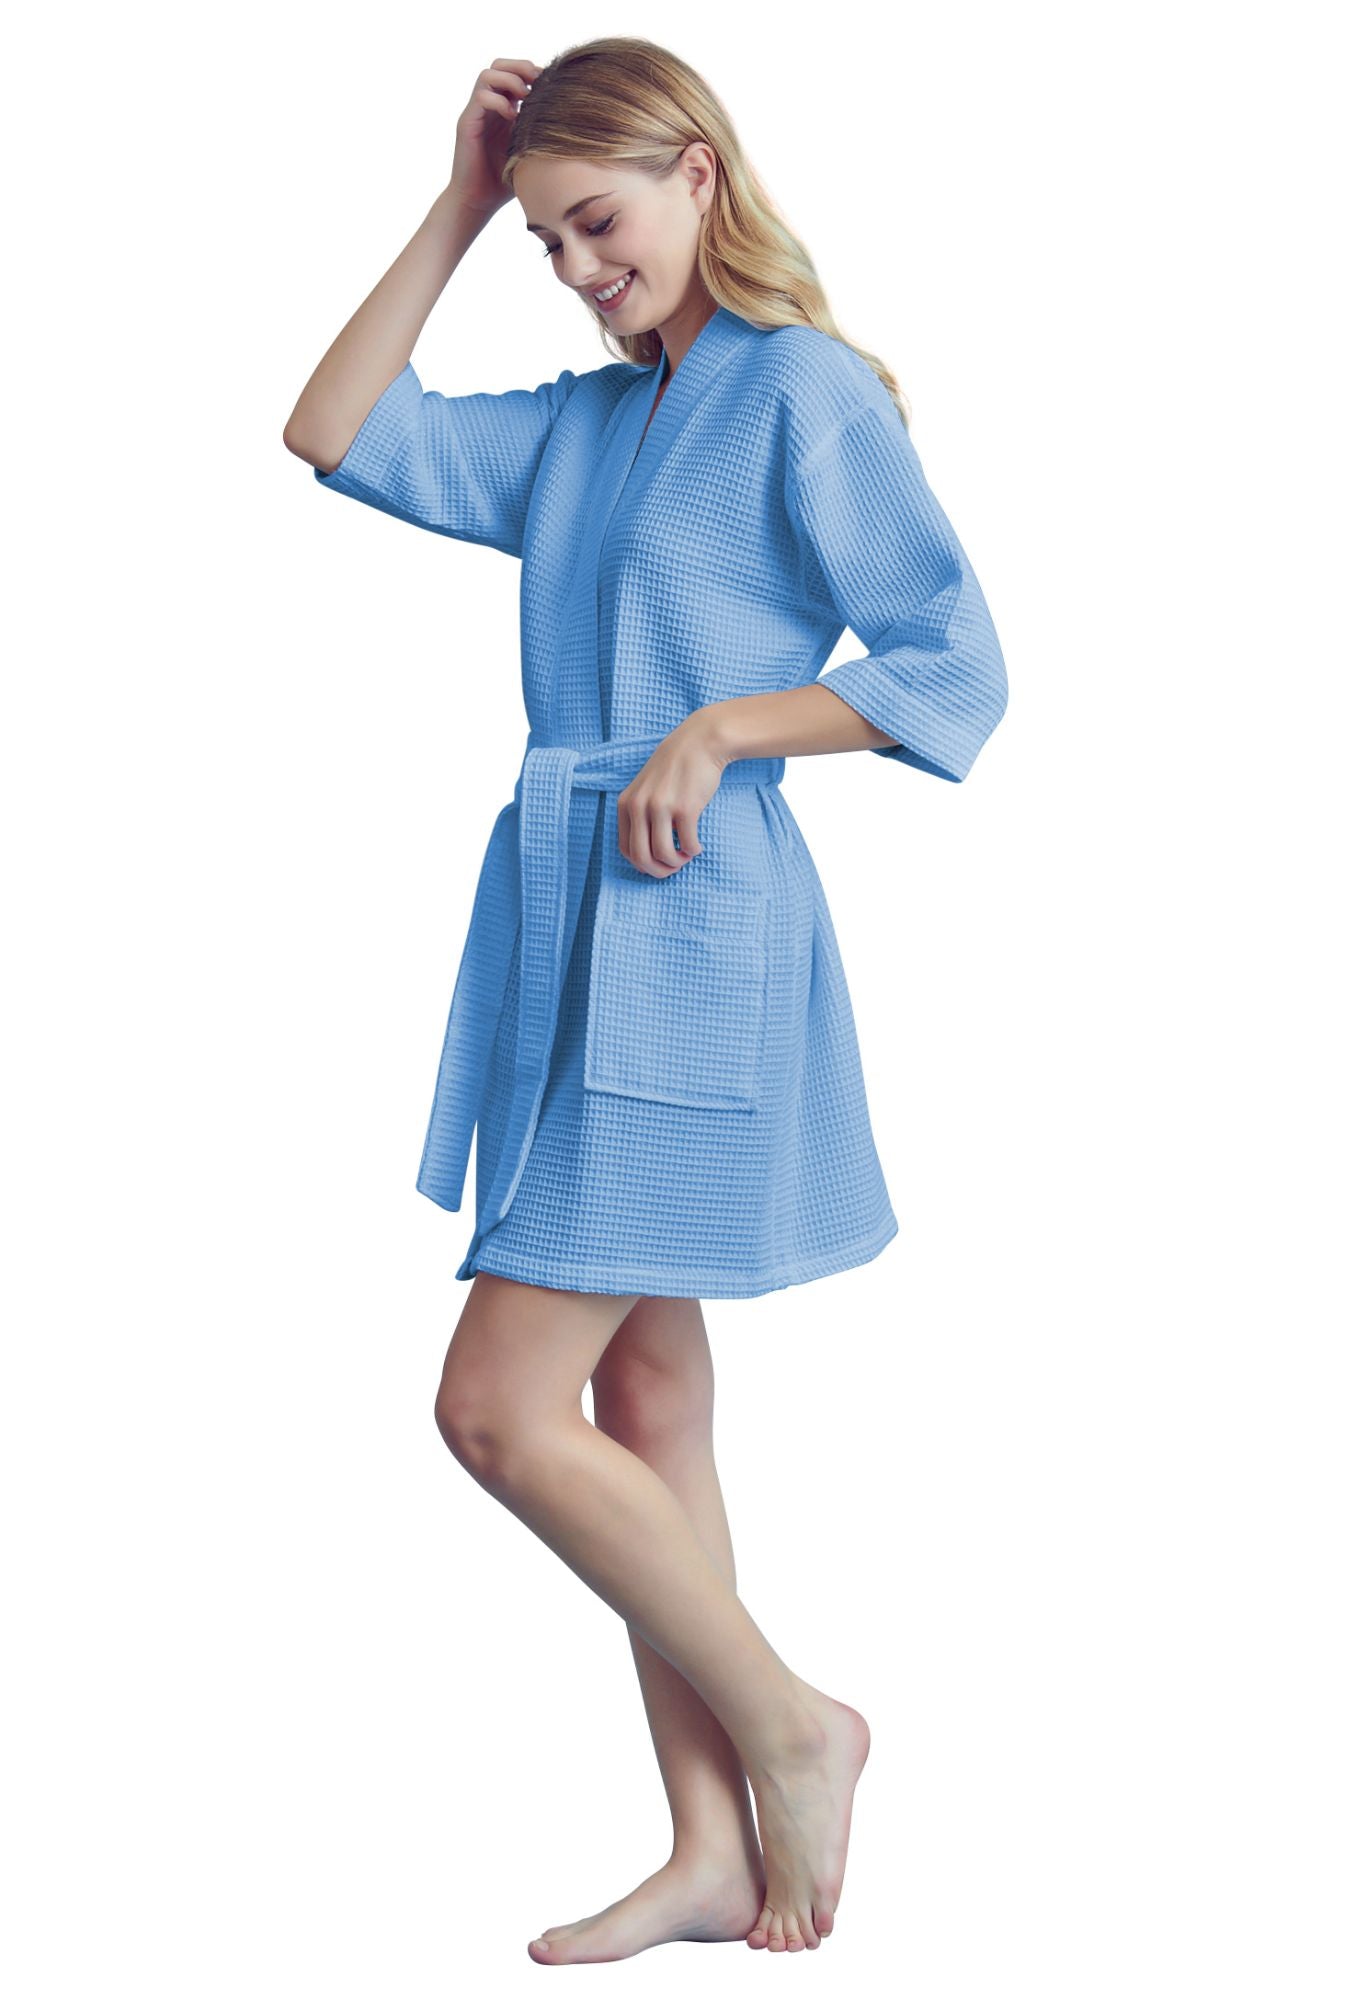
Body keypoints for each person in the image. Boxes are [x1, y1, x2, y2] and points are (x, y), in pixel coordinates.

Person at [284, 36, 1007, 1965]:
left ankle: (794, 1726)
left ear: (699, 171)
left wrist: (727, 725)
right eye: (548, 244)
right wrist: (460, 203)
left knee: (496, 1408)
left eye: (596, 223)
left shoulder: (803, 394)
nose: (579, 271)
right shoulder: (590, 427)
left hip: (694, 924)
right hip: (567, 927)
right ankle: (707, 1844)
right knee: (646, 1395)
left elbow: (956, 662)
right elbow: (335, 430)